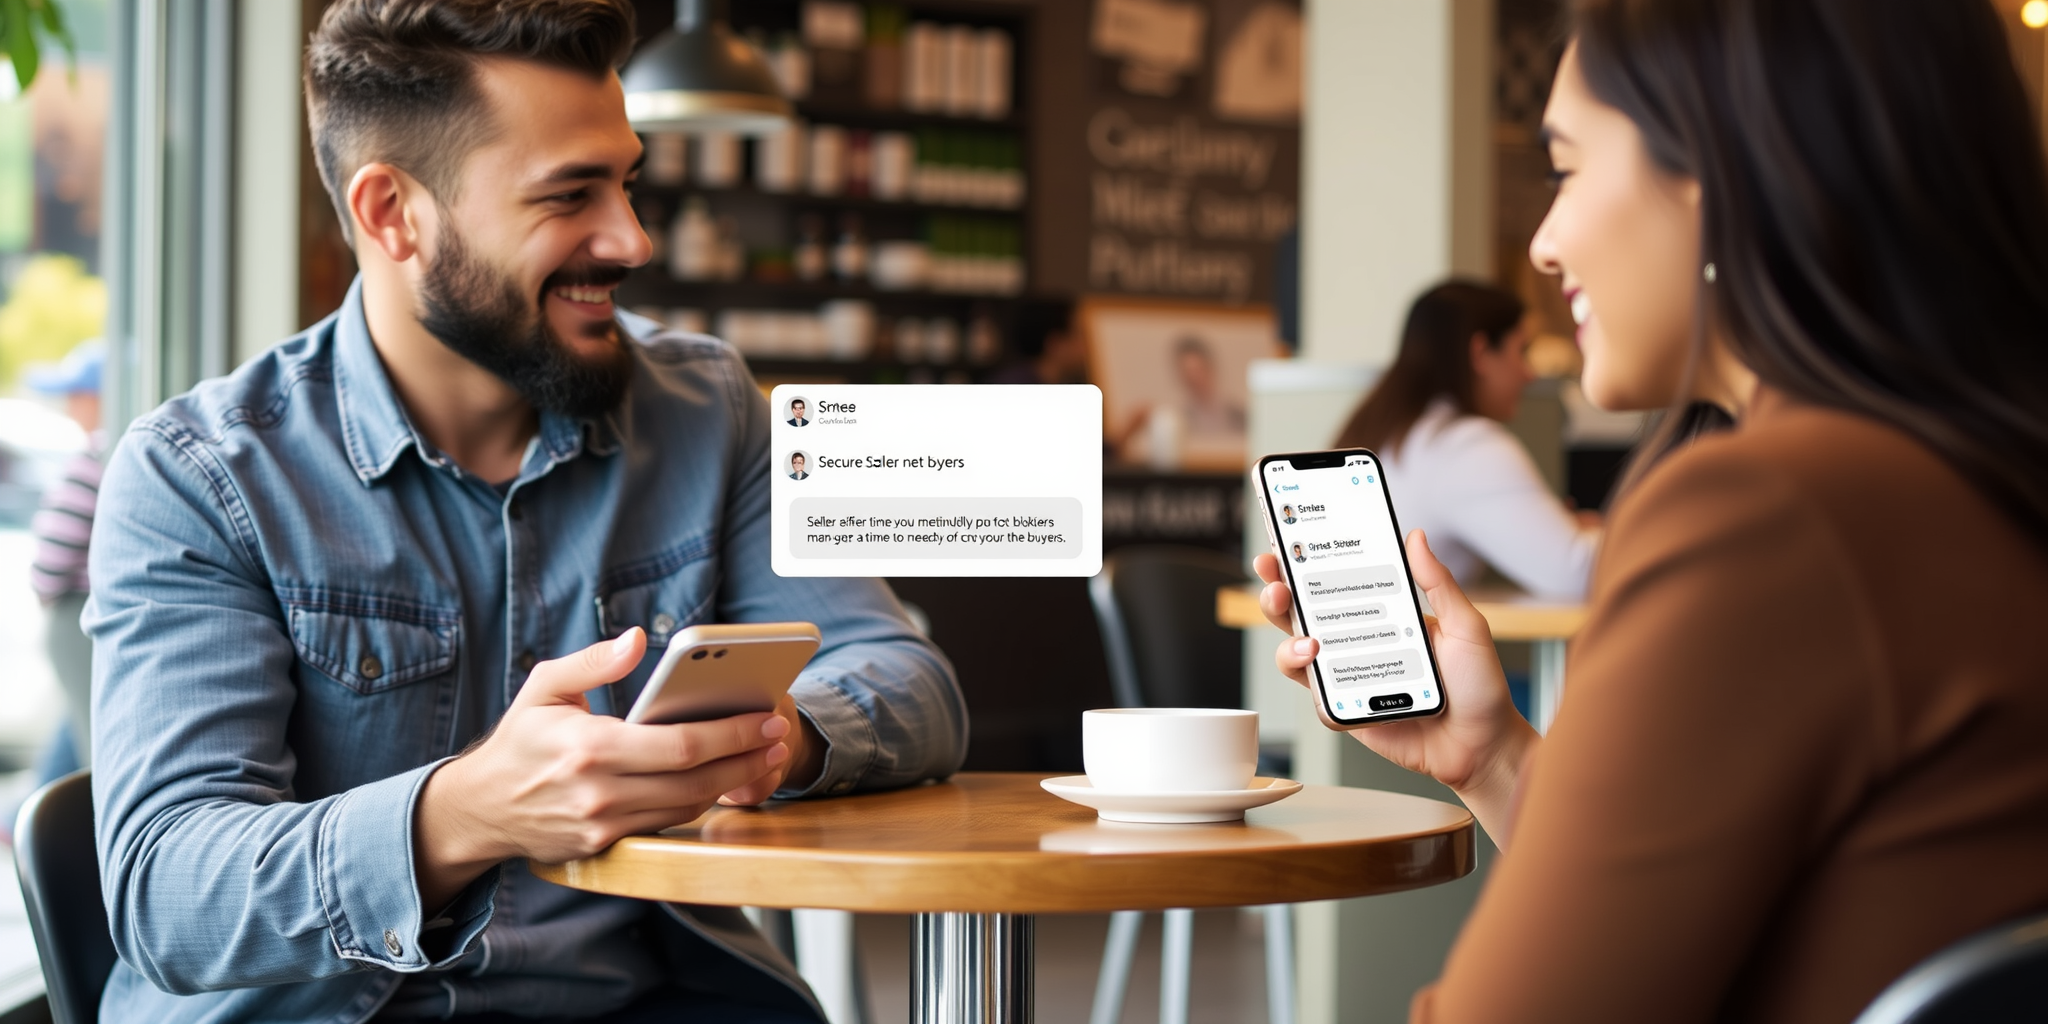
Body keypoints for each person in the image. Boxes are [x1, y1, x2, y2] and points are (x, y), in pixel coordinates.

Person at [85, 3, 966, 1022]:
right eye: (569, 196)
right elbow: (168, 890)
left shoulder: (710, 408)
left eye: (626, 183)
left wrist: (790, 735)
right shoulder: (199, 476)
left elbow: (913, 683)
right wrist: (462, 813)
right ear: (392, 214)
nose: (631, 239)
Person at [1256, 0, 2048, 1020]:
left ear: (1724, 173)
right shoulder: (1971, 481)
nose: (1541, 245)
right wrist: (1493, 756)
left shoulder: (1766, 513)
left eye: (1566, 168)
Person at [1335, 281, 1601, 600]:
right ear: (1481, 353)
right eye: (1522, 351)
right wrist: (1619, 529)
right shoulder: (1464, 447)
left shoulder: (1384, 432)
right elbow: (1576, 573)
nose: (1529, 373)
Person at [25, 340, 105, 777]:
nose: (72, 406)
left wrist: (43, 589)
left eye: (79, 395)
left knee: (91, 736)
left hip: (78, 612)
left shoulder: (94, 459)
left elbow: (52, 561)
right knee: (79, 722)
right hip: (85, 614)